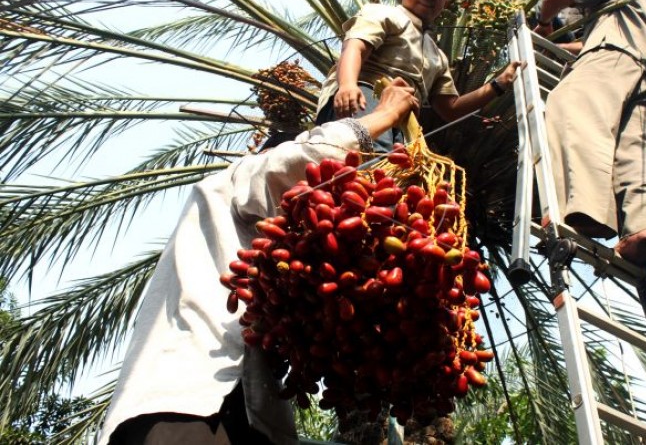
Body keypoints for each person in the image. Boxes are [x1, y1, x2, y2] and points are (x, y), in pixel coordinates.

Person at [98, 79, 420, 445]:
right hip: (184, 405)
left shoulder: (277, 278)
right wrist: (383, 116)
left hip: (247, 419)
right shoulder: (229, 184)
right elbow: (297, 161)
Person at [316, 0, 519, 151]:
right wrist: (347, 85)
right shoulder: (385, 13)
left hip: (405, 121)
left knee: (386, 173)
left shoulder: (437, 56)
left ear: (445, 2)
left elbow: (451, 109)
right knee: (369, 155)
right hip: (365, 98)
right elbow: (355, 47)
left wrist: (499, 84)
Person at [534, 0, 646, 266]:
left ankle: (590, 211)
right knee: (633, 149)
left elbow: (553, 1)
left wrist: (543, 23)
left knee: (569, 105)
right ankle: (641, 229)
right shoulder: (632, 17)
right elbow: (583, 46)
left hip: (612, 57)